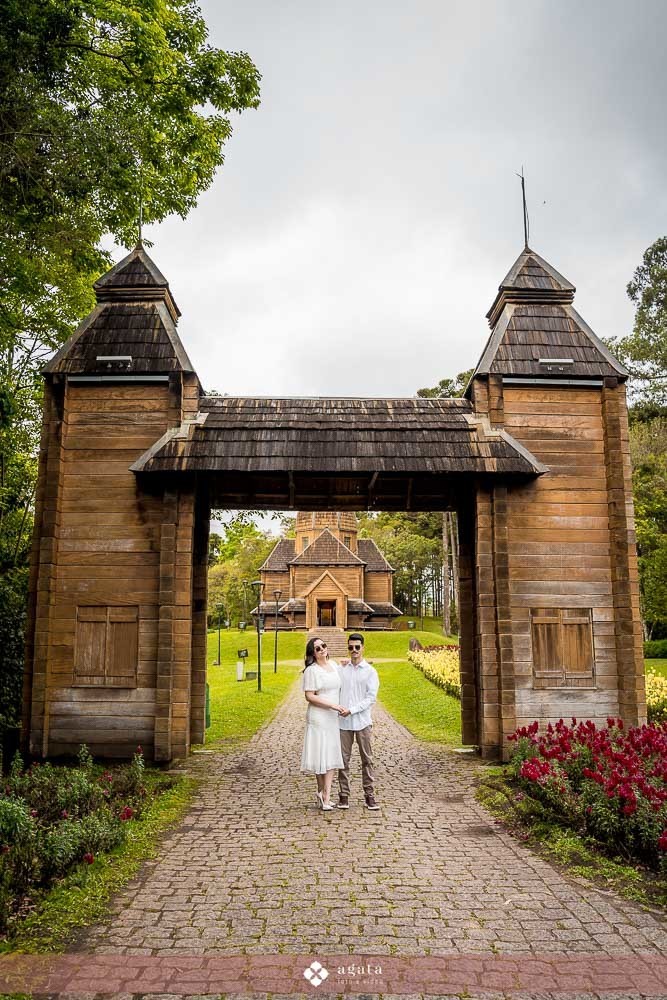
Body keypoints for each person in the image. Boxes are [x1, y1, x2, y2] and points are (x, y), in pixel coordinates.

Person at [301, 636, 349, 811]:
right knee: (321, 755)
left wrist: (347, 664)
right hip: (319, 716)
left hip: (332, 718)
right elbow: (309, 695)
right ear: (313, 653)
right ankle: (323, 793)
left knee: (330, 755)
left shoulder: (335, 666)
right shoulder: (311, 671)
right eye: (317, 648)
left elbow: (343, 679)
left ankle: (325, 795)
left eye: (323, 645)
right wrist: (332, 705)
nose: (322, 649)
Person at [336, 633, 380, 810]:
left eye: (357, 647)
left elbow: (371, 698)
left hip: (362, 721)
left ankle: (369, 795)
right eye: (350, 647)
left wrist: (352, 710)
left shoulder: (370, 672)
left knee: (367, 760)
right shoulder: (341, 670)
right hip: (343, 723)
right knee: (342, 761)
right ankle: (343, 796)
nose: (354, 650)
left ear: (363, 648)